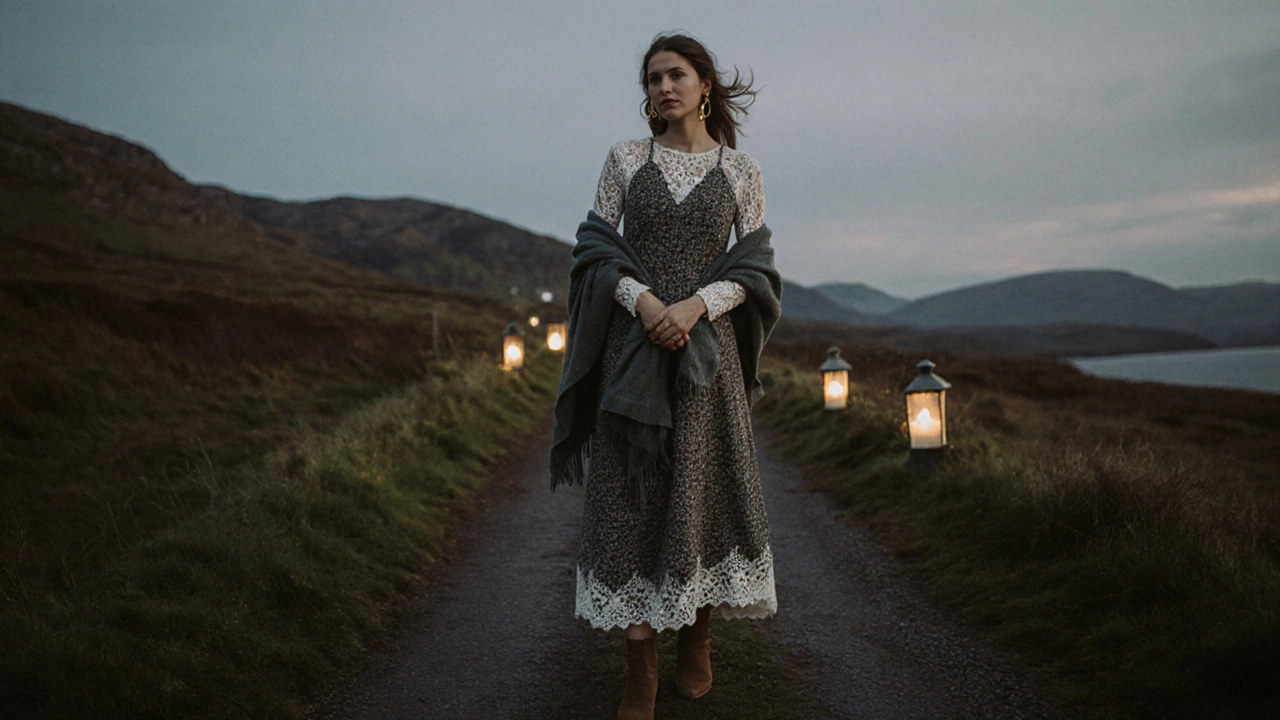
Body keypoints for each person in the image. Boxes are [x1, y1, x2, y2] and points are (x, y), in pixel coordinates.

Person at [550, 31, 782, 720]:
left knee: (701, 493)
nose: (662, 88)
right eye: (652, 79)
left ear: (704, 84)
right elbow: (595, 250)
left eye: (675, 75)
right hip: (632, 351)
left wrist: (695, 306)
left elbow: (757, 270)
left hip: (707, 359)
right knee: (628, 498)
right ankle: (641, 665)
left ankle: (698, 637)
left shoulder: (741, 171)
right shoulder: (625, 160)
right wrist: (647, 303)